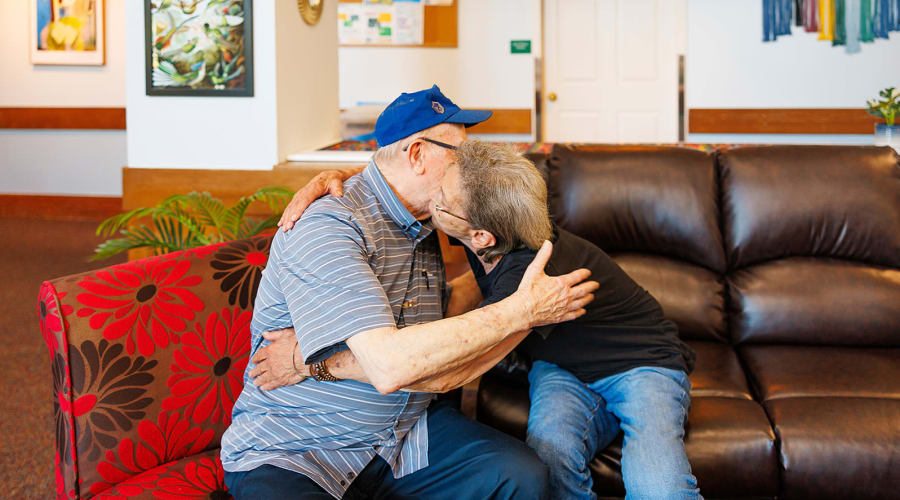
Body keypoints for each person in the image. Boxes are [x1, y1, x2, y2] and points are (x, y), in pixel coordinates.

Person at [219, 86, 599, 500]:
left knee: (520, 475)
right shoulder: (330, 226)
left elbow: (442, 305)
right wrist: (523, 310)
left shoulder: (431, 216)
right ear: (417, 154)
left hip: (404, 434)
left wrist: (309, 361)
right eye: (460, 153)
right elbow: (389, 367)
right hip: (302, 445)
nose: (469, 166)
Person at [269, 140, 701, 499]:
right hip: (562, 367)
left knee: (656, 480)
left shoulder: (529, 275)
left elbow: (448, 371)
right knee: (550, 458)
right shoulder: (500, 218)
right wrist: (333, 179)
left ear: (481, 238)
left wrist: (310, 362)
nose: (432, 197)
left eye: (442, 200)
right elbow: (393, 186)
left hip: (642, 362)